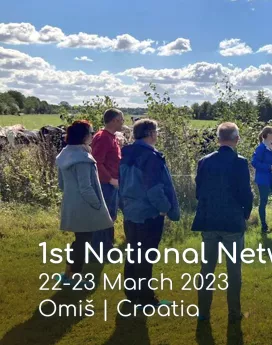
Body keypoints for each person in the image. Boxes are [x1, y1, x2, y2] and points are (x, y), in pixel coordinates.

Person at [192, 122, 254, 323]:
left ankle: (203, 312)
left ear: (218, 139)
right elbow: (246, 193)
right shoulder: (240, 162)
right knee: (234, 270)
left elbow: (199, 191)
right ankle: (234, 312)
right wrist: (245, 213)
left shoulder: (204, 161)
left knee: (207, 268)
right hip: (232, 221)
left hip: (209, 219)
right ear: (236, 139)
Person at [119, 119, 180, 308]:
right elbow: (154, 188)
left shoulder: (126, 153)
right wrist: (164, 208)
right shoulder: (150, 157)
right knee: (146, 256)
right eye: (156, 131)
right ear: (150, 134)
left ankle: (132, 294)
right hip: (147, 212)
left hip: (130, 211)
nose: (158, 134)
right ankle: (146, 299)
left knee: (133, 254)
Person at [55, 120, 113, 285]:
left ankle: (68, 274)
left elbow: (61, 184)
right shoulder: (82, 158)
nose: (93, 135)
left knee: (79, 240)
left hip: (72, 203)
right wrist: (98, 205)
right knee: (83, 242)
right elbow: (86, 188)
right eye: (91, 132)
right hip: (85, 206)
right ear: (84, 136)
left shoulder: (65, 153)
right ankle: (73, 277)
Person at [89, 108, 124, 257]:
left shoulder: (111, 137)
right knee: (104, 217)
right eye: (121, 119)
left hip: (111, 183)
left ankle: (107, 246)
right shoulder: (103, 137)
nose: (123, 122)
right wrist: (110, 179)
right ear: (115, 120)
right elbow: (96, 162)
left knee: (110, 216)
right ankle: (99, 250)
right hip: (105, 184)